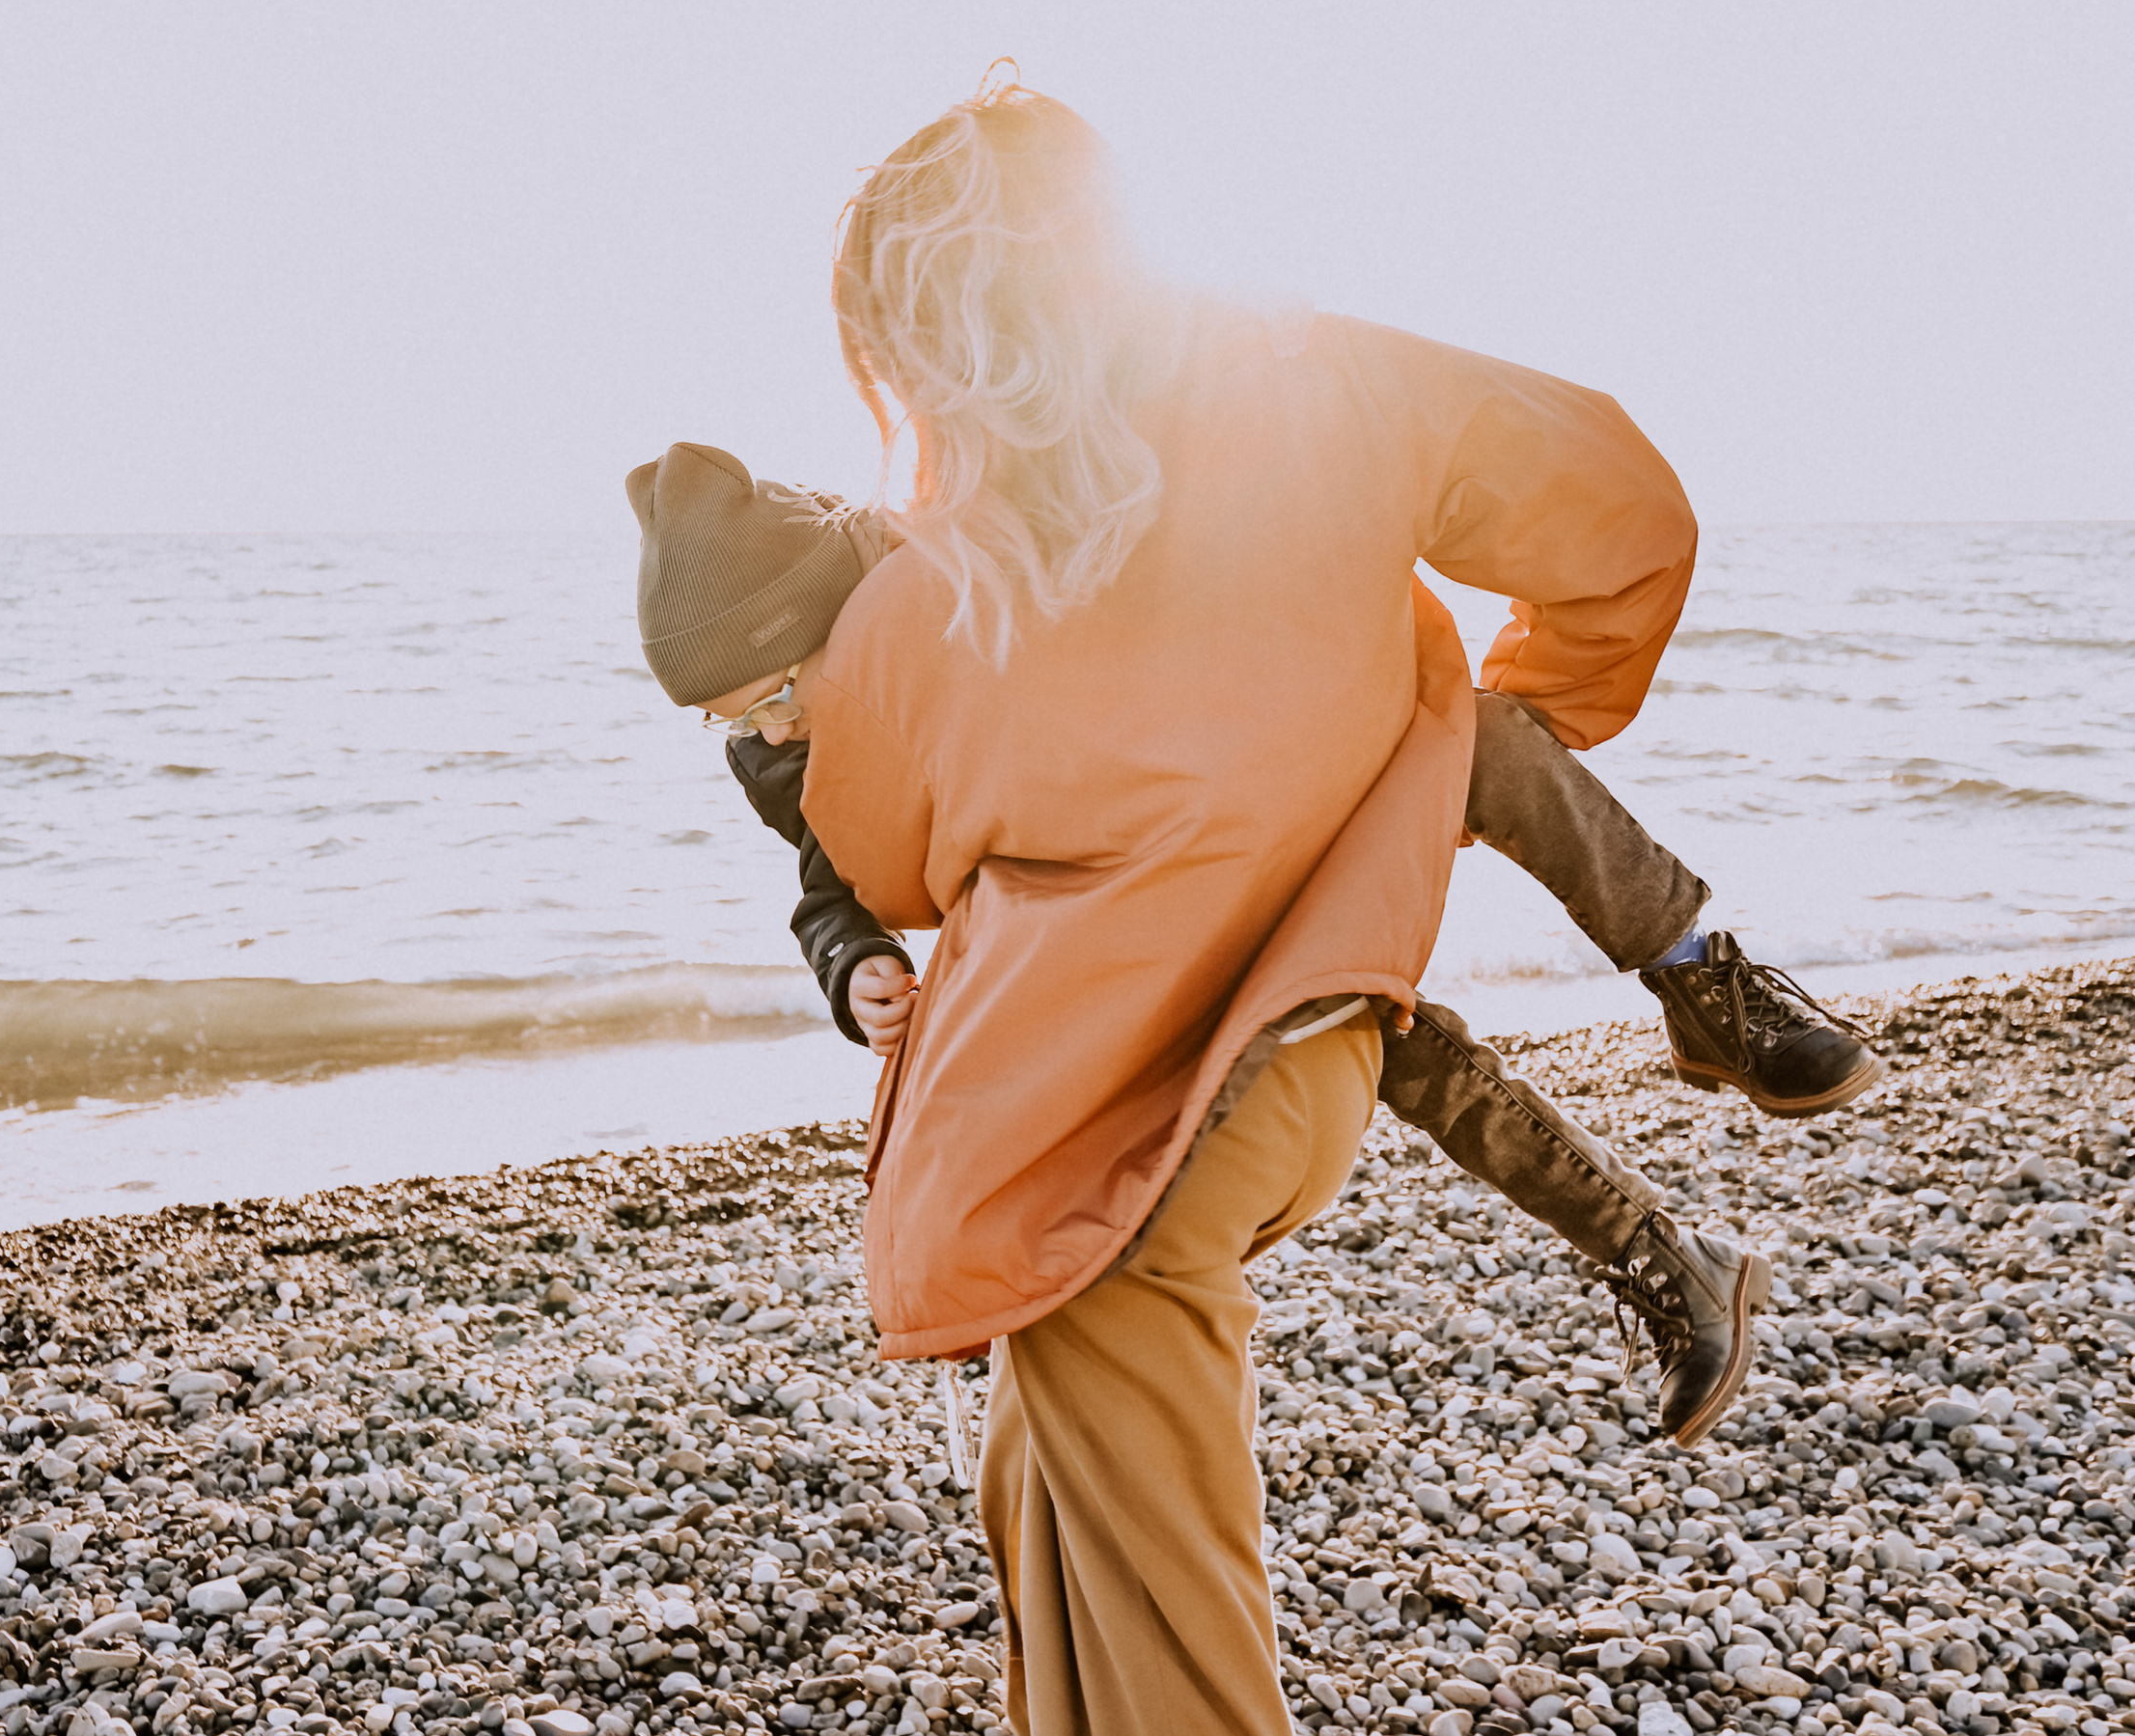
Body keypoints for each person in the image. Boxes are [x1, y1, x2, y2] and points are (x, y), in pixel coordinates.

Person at [697, 72, 1821, 1736]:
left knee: (1165, 1624)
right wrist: (1473, 728)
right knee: (1058, 1511)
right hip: (1300, 1056)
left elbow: (894, 860)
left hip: (1101, 1114)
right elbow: (1615, 508)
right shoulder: (1329, 390)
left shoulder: (940, 597)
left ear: (925, 338)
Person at [624, 442, 1879, 1447]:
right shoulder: (778, 759)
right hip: (1131, 919)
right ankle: (1668, 1259)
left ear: (842, 618)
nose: (767, 736)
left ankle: (1705, 978)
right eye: (732, 723)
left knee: (1472, 732)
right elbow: (827, 891)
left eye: (777, 694)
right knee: (1385, 1034)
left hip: (1226, 757)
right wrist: (860, 968)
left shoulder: (967, 579)